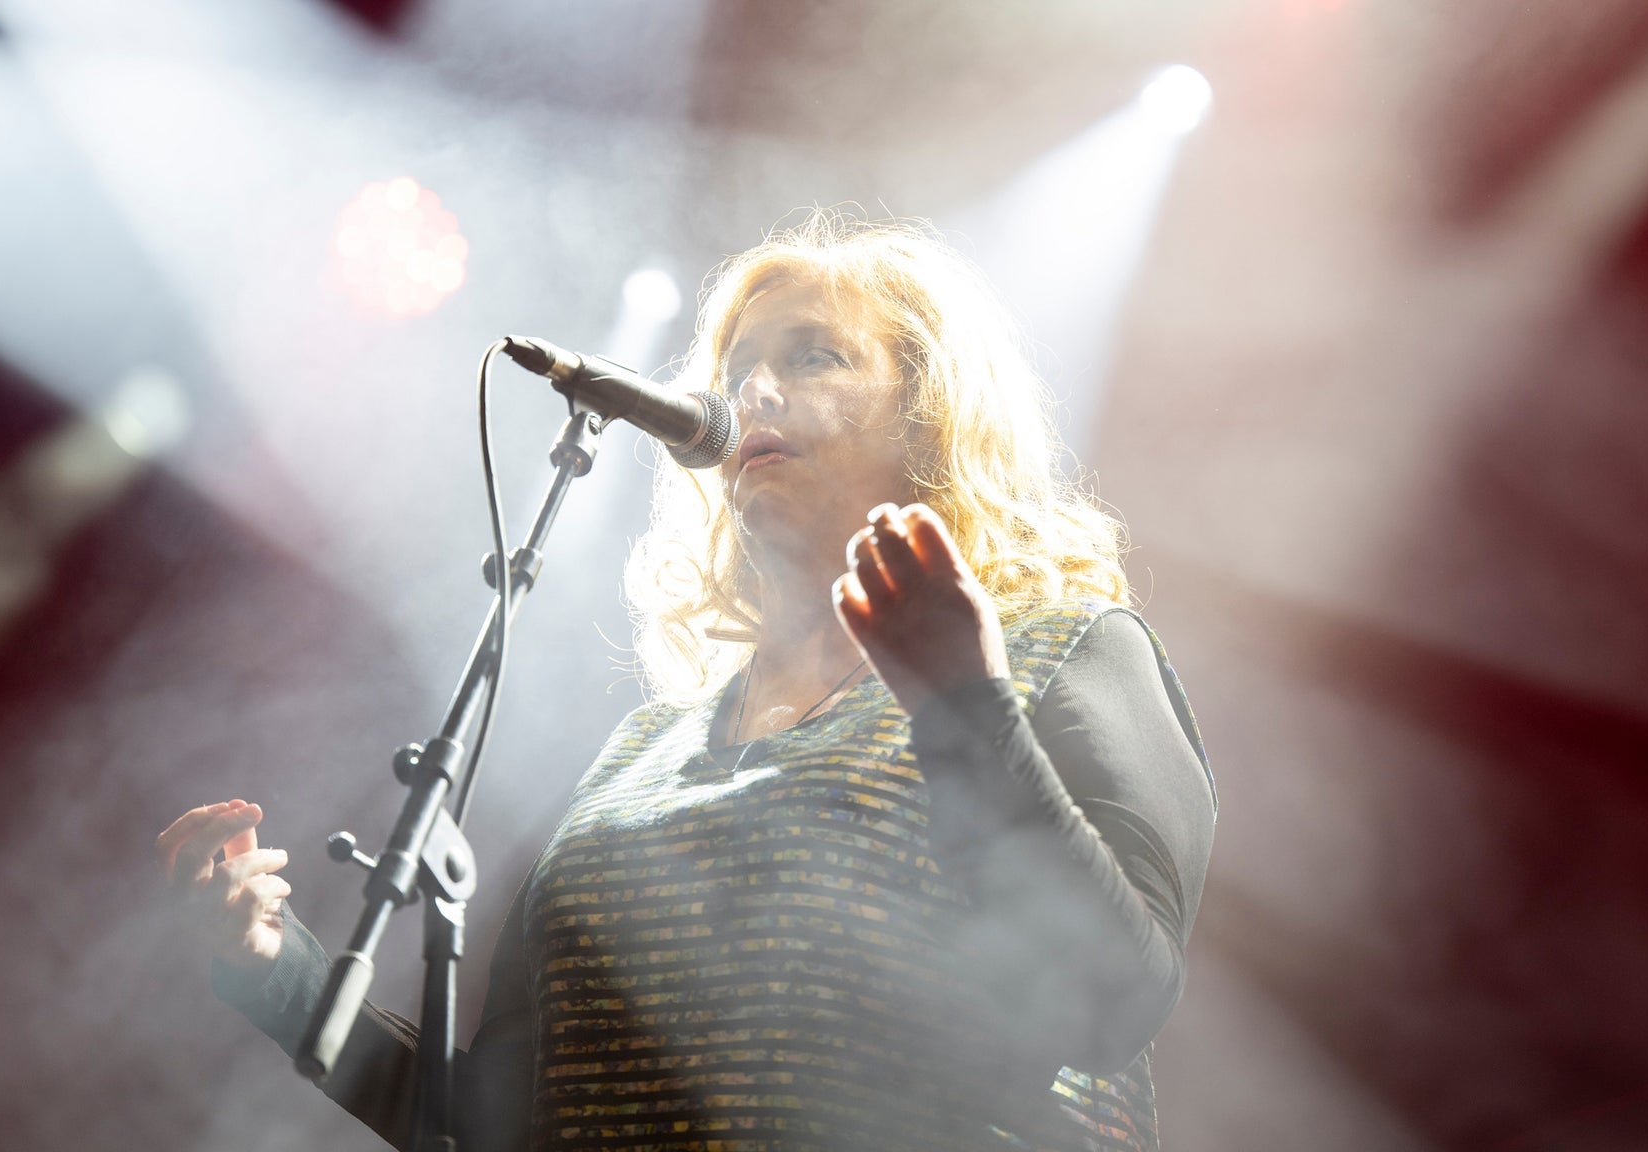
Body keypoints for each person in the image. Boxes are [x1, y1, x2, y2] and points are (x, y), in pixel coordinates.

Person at [156, 213, 1216, 1152]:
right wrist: (278, 971)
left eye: (814, 357)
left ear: (927, 414)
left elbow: (1108, 999)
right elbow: (503, 1123)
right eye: (741, 364)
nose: (754, 390)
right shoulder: (641, 759)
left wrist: (961, 708)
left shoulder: (1062, 653)